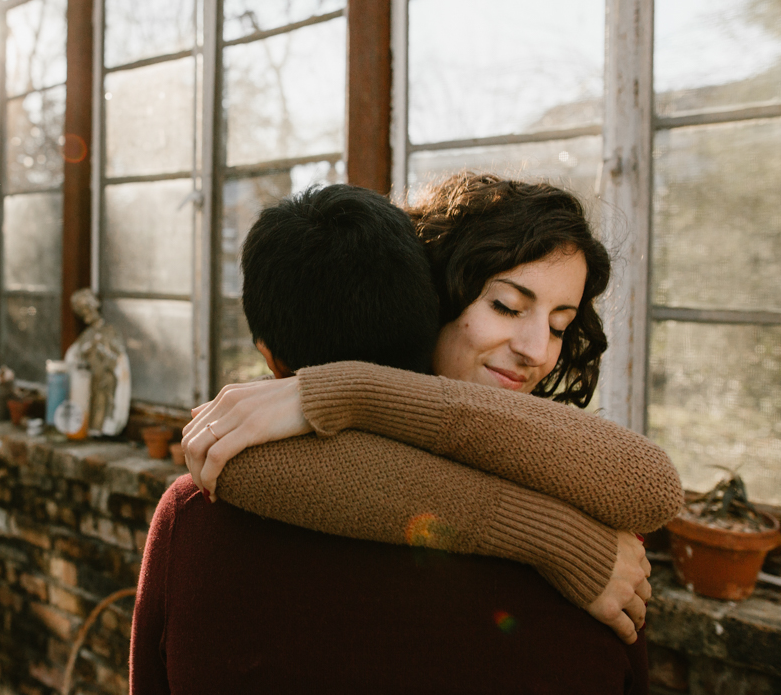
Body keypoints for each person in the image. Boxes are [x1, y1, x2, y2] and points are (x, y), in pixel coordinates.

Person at [130, 182, 674, 694]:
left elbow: (654, 487)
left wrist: (338, 390)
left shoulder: (594, 499)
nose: (537, 349)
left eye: (560, 326)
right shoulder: (595, 535)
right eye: (506, 306)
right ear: (430, 296)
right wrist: (560, 540)